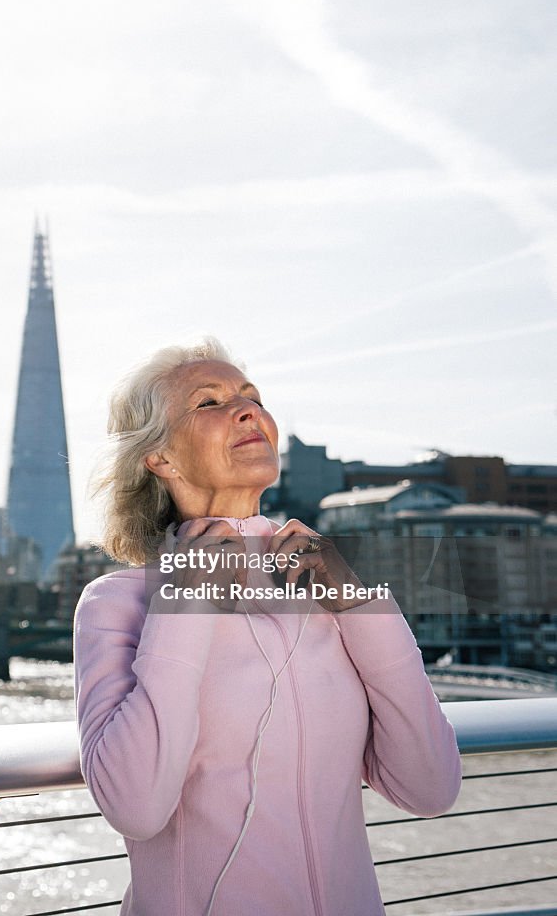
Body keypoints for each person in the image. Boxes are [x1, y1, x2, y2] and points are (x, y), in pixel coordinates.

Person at [73, 337, 462, 916]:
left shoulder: (327, 591)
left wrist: (358, 605)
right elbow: (135, 806)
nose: (247, 410)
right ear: (160, 458)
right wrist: (187, 599)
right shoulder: (117, 604)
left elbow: (430, 788)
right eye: (209, 403)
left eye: (251, 397)